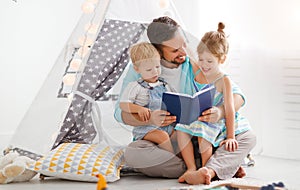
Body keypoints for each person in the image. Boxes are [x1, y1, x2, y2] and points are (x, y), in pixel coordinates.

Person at [114, 16, 256, 183]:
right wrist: (149, 118)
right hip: (163, 142)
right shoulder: (141, 66)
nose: (183, 51)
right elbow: (120, 113)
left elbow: (236, 96)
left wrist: (219, 112)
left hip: (196, 135)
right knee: (134, 154)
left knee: (248, 137)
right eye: (175, 50)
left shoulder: (195, 62)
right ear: (158, 51)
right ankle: (218, 166)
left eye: (183, 43)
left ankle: (208, 169)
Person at [175, 22, 253, 183]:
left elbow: (230, 109)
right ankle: (191, 168)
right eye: (201, 59)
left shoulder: (223, 80)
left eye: (209, 61)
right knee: (181, 130)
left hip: (217, 122)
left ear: (222, 59)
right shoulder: (198, 70)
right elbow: (188, 53)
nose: (204, 65)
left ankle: (205, 168)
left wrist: (231, 136)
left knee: (204, 134)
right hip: (201, 117)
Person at [119, 42, 175, 153]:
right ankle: (173, 159)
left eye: (157, 67)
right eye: (149, 70)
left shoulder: (164, 84)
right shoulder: (135, 86)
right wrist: (139, 109)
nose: (155, 72)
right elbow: (123, 104)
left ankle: (183, 159)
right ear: (137, 69)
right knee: (162, 137)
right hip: (146, 128)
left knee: (180, 134)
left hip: (166, 124)